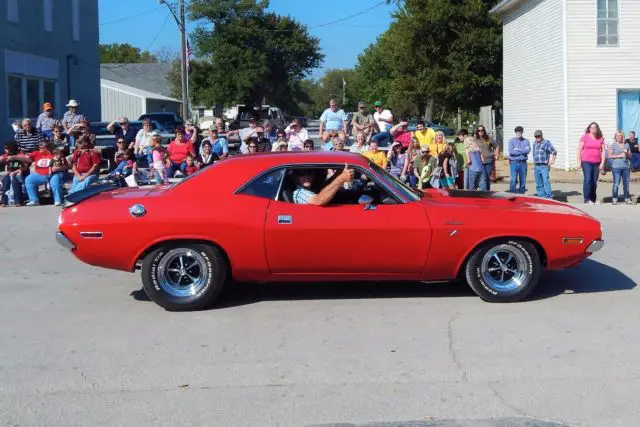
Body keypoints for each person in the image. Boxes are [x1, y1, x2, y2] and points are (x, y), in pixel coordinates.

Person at [21, 141, 61, 206]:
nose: (40, 149)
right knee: (29, 179)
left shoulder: (54, 155)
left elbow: (59, 165)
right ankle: (34, 200)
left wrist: (54, 168)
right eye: (39, 148)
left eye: (42, 148)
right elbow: (26, 156)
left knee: (55, 179)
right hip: (40, 175)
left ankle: (57, 200)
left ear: (47, 148)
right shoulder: (37, 153)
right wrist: (14, 157)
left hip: (52, 174)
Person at [577, 122, 606, 205]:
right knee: (588, 180)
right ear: (589, 129)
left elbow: (603, 151)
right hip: (586, 161)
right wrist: (578, 162)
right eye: (591, 127)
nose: (593, 128)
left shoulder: (600, 138)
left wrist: (602, 163)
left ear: (597, 129)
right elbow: (579, 150)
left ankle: (593, 199)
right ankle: (587, 199)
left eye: (595, 127)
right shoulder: (585, 137)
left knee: (594, 181)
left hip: (597, 162)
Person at [0, 140, 29, 206]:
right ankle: (4, 201)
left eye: (7, 148)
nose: (5, 150)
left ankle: (18, 201)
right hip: (12, 173)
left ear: (11, 148)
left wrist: (15, 171)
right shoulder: (7, 155)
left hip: (22, 173)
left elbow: (25, 166)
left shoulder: (20, 155)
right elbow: (3, 161)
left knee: (14, 179)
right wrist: (8, 172)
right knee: (6, 179)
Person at [609, 130, 632, 205]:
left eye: (620, 135)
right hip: (616, 167)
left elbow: (630, 156)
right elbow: (610, 155)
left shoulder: (626, 144)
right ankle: (614, 198)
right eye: (617, 136)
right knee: (616, 183)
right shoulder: (613, 145)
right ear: (615, 137)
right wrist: (619, 155)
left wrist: (626, 153)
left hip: (626, 167)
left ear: (623, 136)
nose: (618, 137)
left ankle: (627, 198)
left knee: (626, 184)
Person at [532, 130, 557, 199]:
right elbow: (534, 154)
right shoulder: (534, 143)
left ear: (541, 136)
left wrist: (552, 161)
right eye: (536, 136)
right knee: (538, 183)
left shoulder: (546, 142)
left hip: (544, 166)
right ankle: (541, 197)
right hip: (536, 166)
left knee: (546, 181)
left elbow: (554, 152)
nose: (537, 137)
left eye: (538, 136)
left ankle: (548, 196)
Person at [507, 126, 531, 194]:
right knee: (513, 180)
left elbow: (528, 151)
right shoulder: (511, 141)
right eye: (517, 132)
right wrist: (522, 151)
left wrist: (517, 149)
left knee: (523, 180)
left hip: (523, 163)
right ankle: (511, 194)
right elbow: (511, 152)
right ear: (515, 132)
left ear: (522, 132)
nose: (518, 134)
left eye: (520, 132)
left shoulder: (526, 141)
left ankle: (521, 194)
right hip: (513, 163)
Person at [475, 125, 498, 190]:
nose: (480, 131)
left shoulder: (488, 138)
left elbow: (496, 146)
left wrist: (497, 155)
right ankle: (484, 193)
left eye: (482, 130)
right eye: (479, 130)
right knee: (483, 177)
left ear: (484, 131)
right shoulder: (475, 139)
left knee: (487, 177)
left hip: (489, 160)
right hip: (480, 161)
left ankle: (487, 192)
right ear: (477, 131)